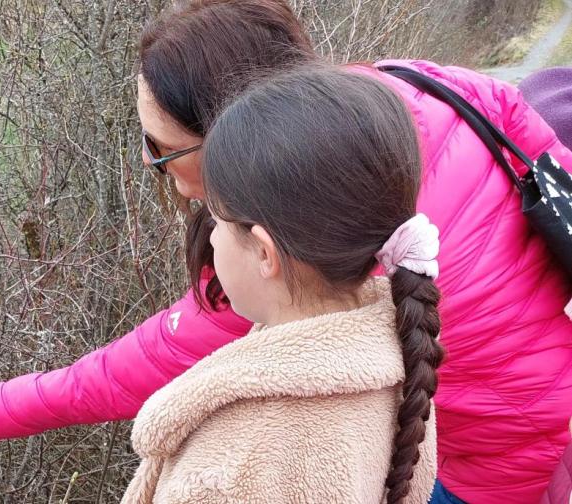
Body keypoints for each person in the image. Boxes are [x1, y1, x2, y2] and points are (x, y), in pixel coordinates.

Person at [0, 1, 572, 501]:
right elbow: (535, 147)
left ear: (230, 135)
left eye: (160, 151)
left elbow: (106, 379)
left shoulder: (289, 265)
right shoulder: (410, 83)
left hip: (481, 465)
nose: (161, 172)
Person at [122, 65, 441, 504]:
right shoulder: (401, 363)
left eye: (215, 218)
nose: (210, 236)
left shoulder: (229, 462)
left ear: (264, 253)